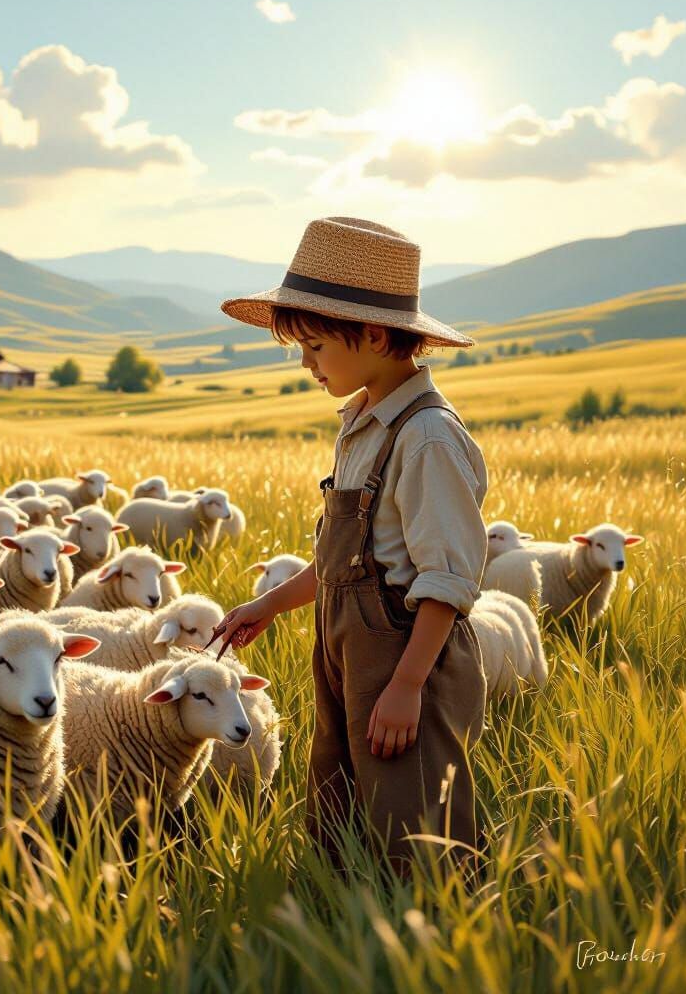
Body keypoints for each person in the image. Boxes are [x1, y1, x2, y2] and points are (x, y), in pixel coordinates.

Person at [213, 217, 489, 880]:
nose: (306, 364)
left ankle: (435, 948)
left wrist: (407, 685)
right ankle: (346, 928)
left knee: (414, 823)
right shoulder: (365, 423)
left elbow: (446, 578)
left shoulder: (425, 438)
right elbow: (348, 558)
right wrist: (270, 603)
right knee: (340, 805)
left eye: (314, 346)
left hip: (402, 653)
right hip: (348, 653)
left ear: (371, 334)